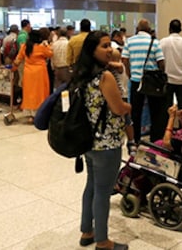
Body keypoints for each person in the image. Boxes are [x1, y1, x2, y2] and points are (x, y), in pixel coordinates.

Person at [73, 31, 131, 250]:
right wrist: (128, 107)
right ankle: (103, 241)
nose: (110, 50)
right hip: (107, 144)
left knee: (91, 186)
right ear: (92, 50)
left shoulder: (82, 73)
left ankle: (86, 231)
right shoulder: (105, 77)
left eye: (110, 45)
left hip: (88, 141)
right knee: (103, 192)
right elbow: (118, 108)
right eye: (104, 46)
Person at [122, 18, 166, 142]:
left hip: (136, 81)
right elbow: (161, 62)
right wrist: (160, 74)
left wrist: (130, 74)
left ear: (137, 29)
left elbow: (125, 60)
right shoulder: (155, 42)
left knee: (135, 112)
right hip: (152, 81)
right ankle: (155, 139)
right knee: (155, 111)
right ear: (149, 30)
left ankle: (135, 139)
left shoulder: (129, 41)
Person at [14, 30, 54, 116]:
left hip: (28, 73)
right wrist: (47, 45)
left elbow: (18, 59)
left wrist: (13, 67)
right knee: (40, 92)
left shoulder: (24, 47)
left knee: (28, 92)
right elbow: (50, 54)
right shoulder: (40, 47)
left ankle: (29, 113)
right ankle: (38, 112)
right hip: (40, 72)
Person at [159, 19, 182, 111]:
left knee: (167, 108)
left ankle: (169, 120)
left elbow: (159, 60)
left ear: (169, 29)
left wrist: (162, 73)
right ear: (180, 29)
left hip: (167, 80)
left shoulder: (162, 42)